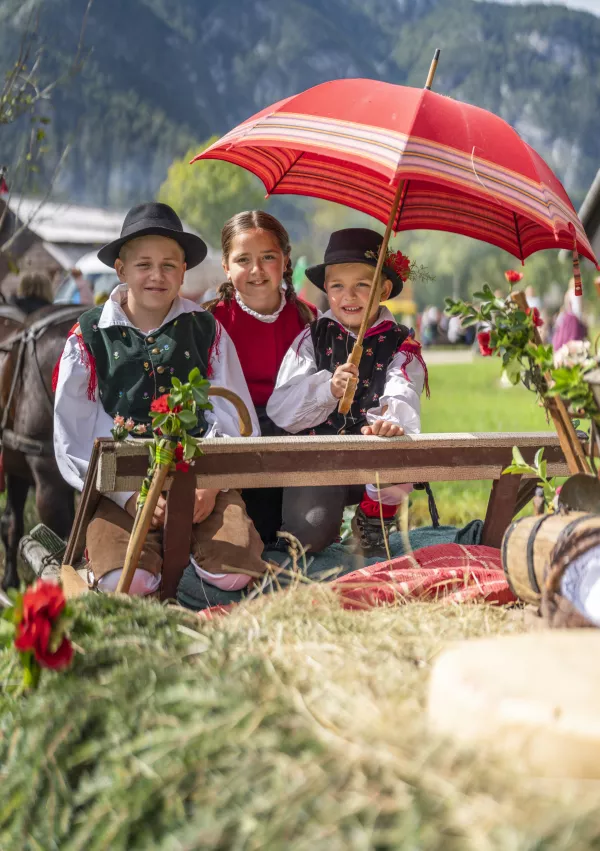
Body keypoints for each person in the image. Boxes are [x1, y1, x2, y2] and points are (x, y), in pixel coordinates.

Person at [54, 201, 268, 597]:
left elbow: (237, 416)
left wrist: (211, 485)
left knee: (233, 575)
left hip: (202, 476)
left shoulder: (207, 330)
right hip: (123, 487)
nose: (157, 275)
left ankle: (197, 564)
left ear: (183, 270)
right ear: (121, 270)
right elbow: (73, 435)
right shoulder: (88, 336)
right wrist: (130, 497)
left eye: (169, 265)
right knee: (126, 583)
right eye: (144, 265)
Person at [267, 228, 428, 556]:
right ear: (326, 288)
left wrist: (389, 421)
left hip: (372, 458)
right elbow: (280, 408)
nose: (349, 296)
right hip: (320, 458)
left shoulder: (400, 344)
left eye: (362, 286)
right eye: (338, 286)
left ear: (383, 289)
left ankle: (372, 519)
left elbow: (402, 389)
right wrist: (327, 389)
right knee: (306, 537)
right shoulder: (312, 338)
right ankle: (322, 531)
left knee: (398, 449)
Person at [204, 211, 316, 545]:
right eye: (243, 260)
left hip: (295, 443)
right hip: (230, 442)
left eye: (268, 257)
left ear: (285, 261)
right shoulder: (209, 321)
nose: (256, 270)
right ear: (226, 265)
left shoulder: (309, 318)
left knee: (304, 533)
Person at [552, 278, 587, 351]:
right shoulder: (577, 293)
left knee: (566, 336)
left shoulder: (568, 293)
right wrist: (581, 319)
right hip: (574, 318)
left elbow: (566, 306)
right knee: (575, 336)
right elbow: (578, 308)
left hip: (568, 317)